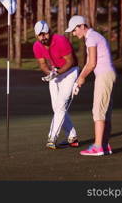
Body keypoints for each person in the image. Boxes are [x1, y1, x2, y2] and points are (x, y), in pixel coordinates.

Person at [65, 15, 116, 156]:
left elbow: (92, 63)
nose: (74, 34)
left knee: (98, 111)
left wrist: (81, 77)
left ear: (81, 26)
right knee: (105, 112)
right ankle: (105, 145)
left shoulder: (92, 37)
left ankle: (98, 146)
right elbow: (89, 63)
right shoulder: (92, 37)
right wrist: (79, 79)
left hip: (104, 75)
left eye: (74, 30)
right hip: (107, 75)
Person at [33, 20, 79, 149]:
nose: (43, 37)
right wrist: (50, 73)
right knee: (57, 108)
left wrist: (57, 73)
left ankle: (52, 138)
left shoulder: (60, 40)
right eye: (40, 35)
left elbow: (70, 61)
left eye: (45, 34)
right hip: (56, 72)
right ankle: (72, 137)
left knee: (60, 106)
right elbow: (42, 64)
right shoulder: (37, 46)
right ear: (36, 36)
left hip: (70, 72)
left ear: (50, 32)